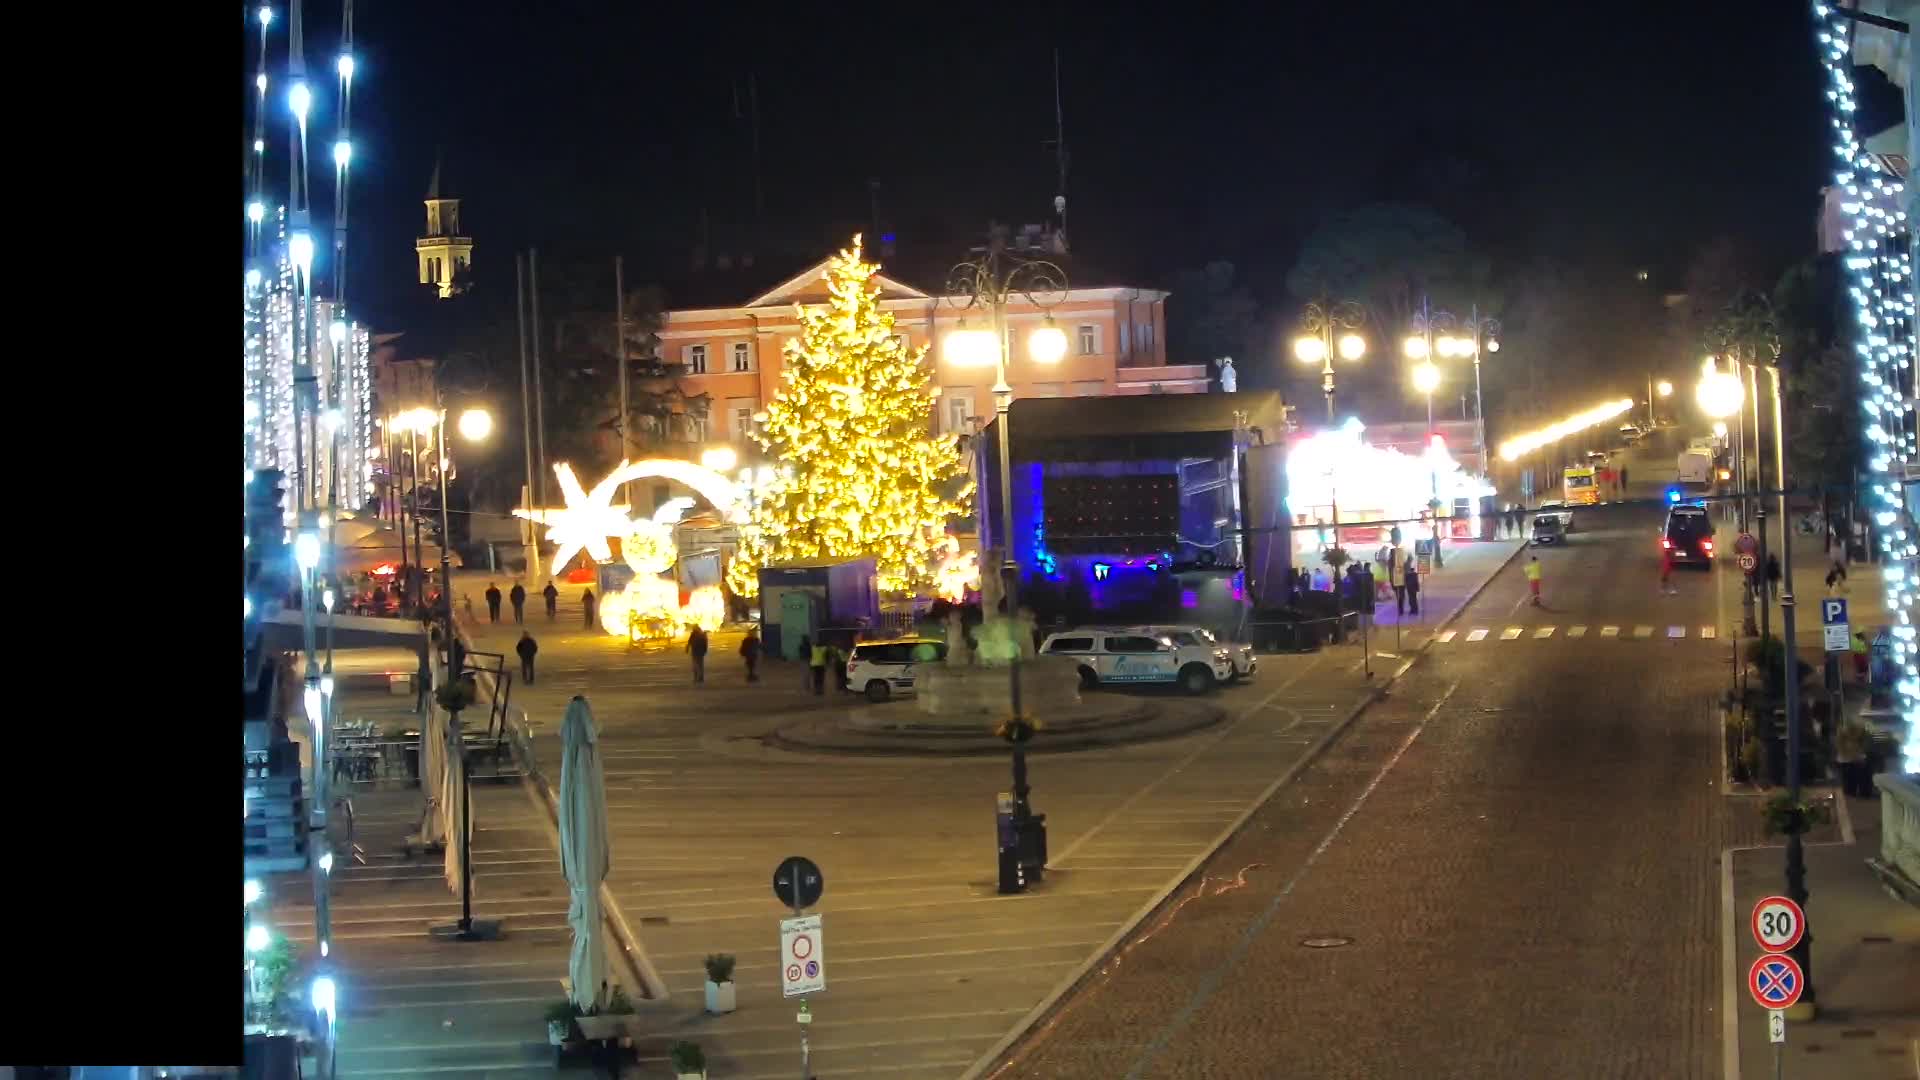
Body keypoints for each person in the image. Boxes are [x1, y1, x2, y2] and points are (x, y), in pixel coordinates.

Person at [1389, 548, 1407, 615]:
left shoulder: (1390, 561)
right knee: (1401, 596)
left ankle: (1400, 609)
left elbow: (1390, 572)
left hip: (1396, 581)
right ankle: (1400, 609)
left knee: (1399, 596)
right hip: (1400, 580)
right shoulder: (1401, 560)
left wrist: (1391, 582)